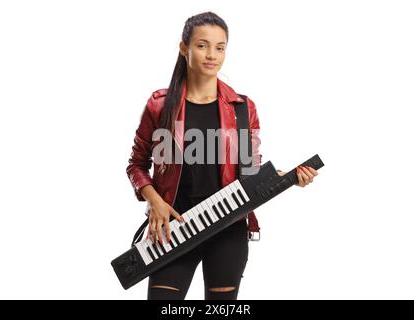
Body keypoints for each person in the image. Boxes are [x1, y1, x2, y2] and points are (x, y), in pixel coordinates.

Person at [126, 11, 318, 300]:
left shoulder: (243, 108)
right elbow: (137, 165)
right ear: (183, 48)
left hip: (228, 226)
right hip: (172, 227)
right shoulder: (159, 105)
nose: (212, 55)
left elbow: (249, 171)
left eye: (220, 47)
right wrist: (155, 201)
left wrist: (289, 179)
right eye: (202, 45)